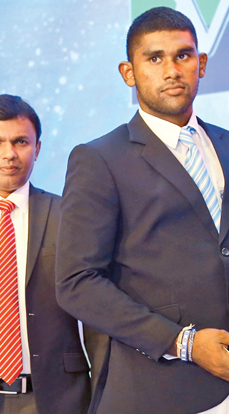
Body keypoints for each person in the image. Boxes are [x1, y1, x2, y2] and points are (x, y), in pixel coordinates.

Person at [55, 7, 229, 414]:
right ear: (128, 72)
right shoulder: (100, 159)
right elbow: (77, 283)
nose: (171, 69)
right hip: (160, 388)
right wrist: (183, 343)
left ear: (201, 64)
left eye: (183, 55)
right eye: (154, 58)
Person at [0, 94, 92, 413]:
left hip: (53, 398)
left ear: (37, 149)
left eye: (21, 141)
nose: (9, 154)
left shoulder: (69, 215)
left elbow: (99, 312)